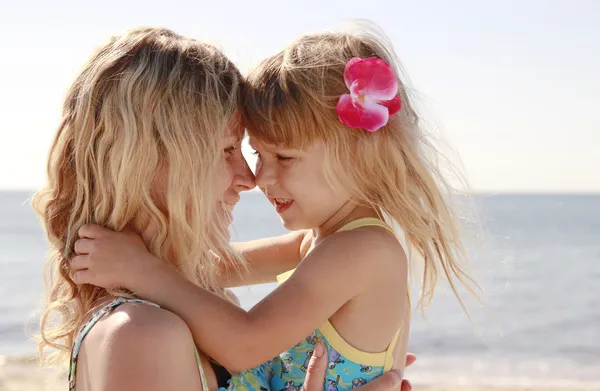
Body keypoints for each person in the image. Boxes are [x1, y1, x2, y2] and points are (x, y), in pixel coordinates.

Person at [70, 22, 477, 391]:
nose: (257, 178)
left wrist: (140, 268)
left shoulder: (364, 250)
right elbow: (203, 268)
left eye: (283, 158)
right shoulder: (317, 245)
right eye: (252, 153)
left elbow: (245, 341)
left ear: (358, 156)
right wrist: (129, 258)